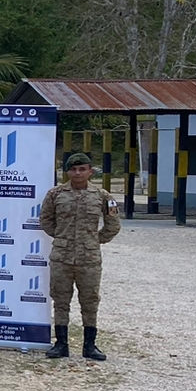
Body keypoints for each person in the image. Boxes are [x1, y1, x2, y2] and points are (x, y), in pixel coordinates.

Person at [40, 152, 121, 361]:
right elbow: (46, 221)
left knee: (90, 300)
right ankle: (61, 344)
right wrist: (62, 237)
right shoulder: (55, 194)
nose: (77, 173)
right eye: (73, 169)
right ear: (67, 172)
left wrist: (95, 240)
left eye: (82, 169)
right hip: (62, 257)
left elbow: (113, 225)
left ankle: (90, 345)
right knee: (60, 299)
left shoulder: (102, 196)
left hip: (89, 259)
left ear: (90, 171)